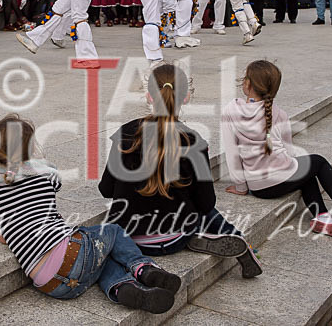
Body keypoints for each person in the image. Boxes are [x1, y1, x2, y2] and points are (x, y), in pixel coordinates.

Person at [0, 114, 182, 314]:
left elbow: (1, 236)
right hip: (71, 254)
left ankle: (122, 288)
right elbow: (52, 177)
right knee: (111, 231)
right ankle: (143, 269)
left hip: (51, 285)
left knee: (100, 260)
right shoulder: (44, 176)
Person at [98, 63, 262, 278]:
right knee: (205, 210)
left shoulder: (125, 133)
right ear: (186, 98)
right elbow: (206, 203)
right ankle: (237, 242)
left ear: (149, 96)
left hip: (132, 237)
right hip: (177, 236)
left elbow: (106, 189)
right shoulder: (194, 140)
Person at [223, 60, 332, 238]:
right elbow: (289, 152)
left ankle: (322, 216)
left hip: (260, 188)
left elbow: (232, 153)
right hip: (281, 177)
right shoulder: (278, 113)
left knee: (306, 176)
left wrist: (240, 187)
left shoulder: (230, 110)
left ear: (247, 83)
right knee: (317, 162)